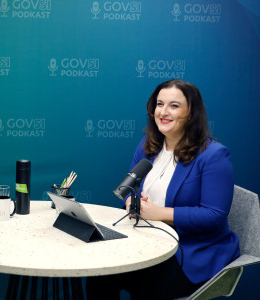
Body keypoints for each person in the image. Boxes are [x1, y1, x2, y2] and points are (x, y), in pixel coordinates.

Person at [86, 79, 240, 299]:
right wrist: (131, 202)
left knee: (145, 285)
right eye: (160, 104)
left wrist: (161, 214)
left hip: (191, 253)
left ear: (191, 113)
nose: (163, 112)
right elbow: (129, 188)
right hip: (148, 241)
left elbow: (214, 215)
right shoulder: (149, 144)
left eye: (174, 106)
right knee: (99, 273)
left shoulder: (214, 156)